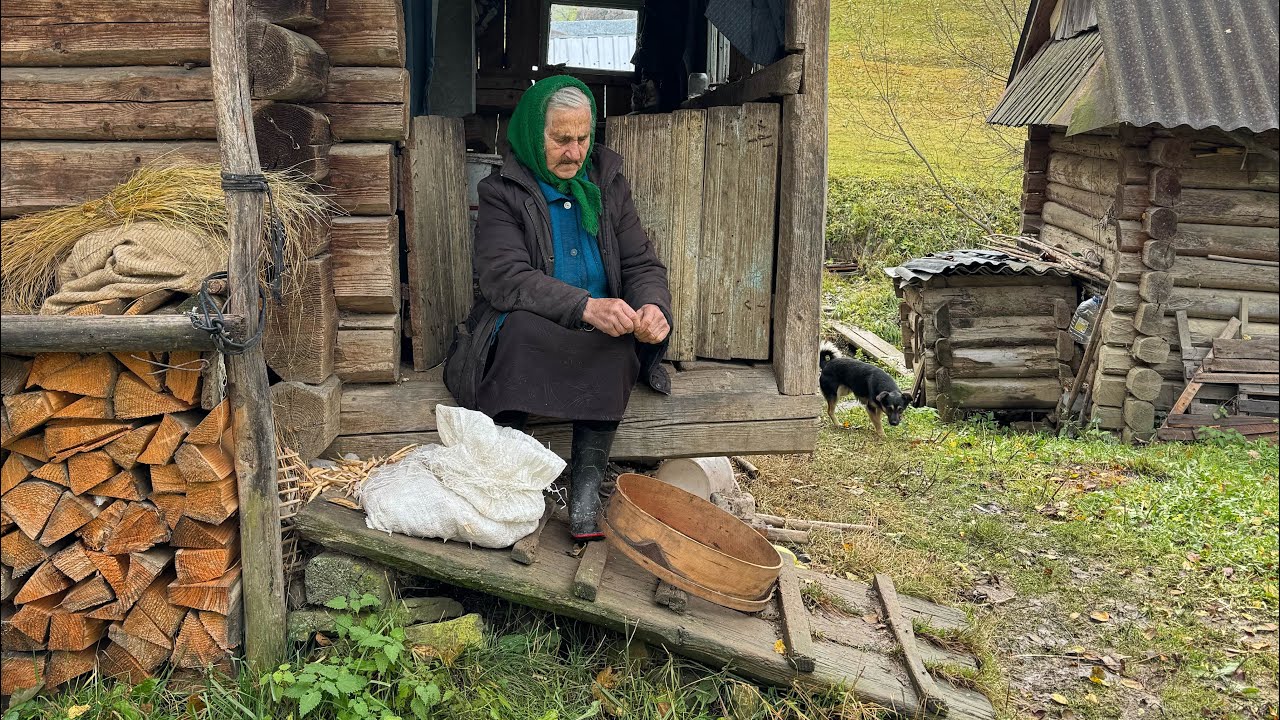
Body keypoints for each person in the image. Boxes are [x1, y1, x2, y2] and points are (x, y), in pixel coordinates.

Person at [444, 75, 673, 542]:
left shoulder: (607, 184)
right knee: (522, 334)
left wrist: (651, 308)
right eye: (561, 139)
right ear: (534, 134)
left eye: (583, 139)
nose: (574, 152)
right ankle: (510, 482)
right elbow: (505, 279)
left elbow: (640, 262)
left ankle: (586, 491)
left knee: (618, 343)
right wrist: (586, 306)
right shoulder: (502, 191)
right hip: (533, 324)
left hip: (597, 327)